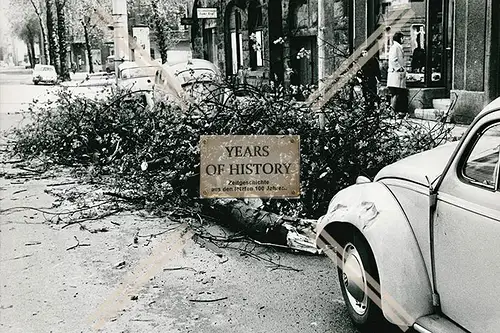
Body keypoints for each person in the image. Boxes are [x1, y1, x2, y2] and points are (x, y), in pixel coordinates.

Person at [387, 31, 408, 118]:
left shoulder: (397, 47)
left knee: (396, 93)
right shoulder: (395, 47)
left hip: (397, 75)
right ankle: (393, 112)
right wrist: (399, 68)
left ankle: (394, 112)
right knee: (396, 93)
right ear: (400, 38)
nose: (404, 39)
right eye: (403, 38)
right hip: (395, 75)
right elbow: (393, 59)